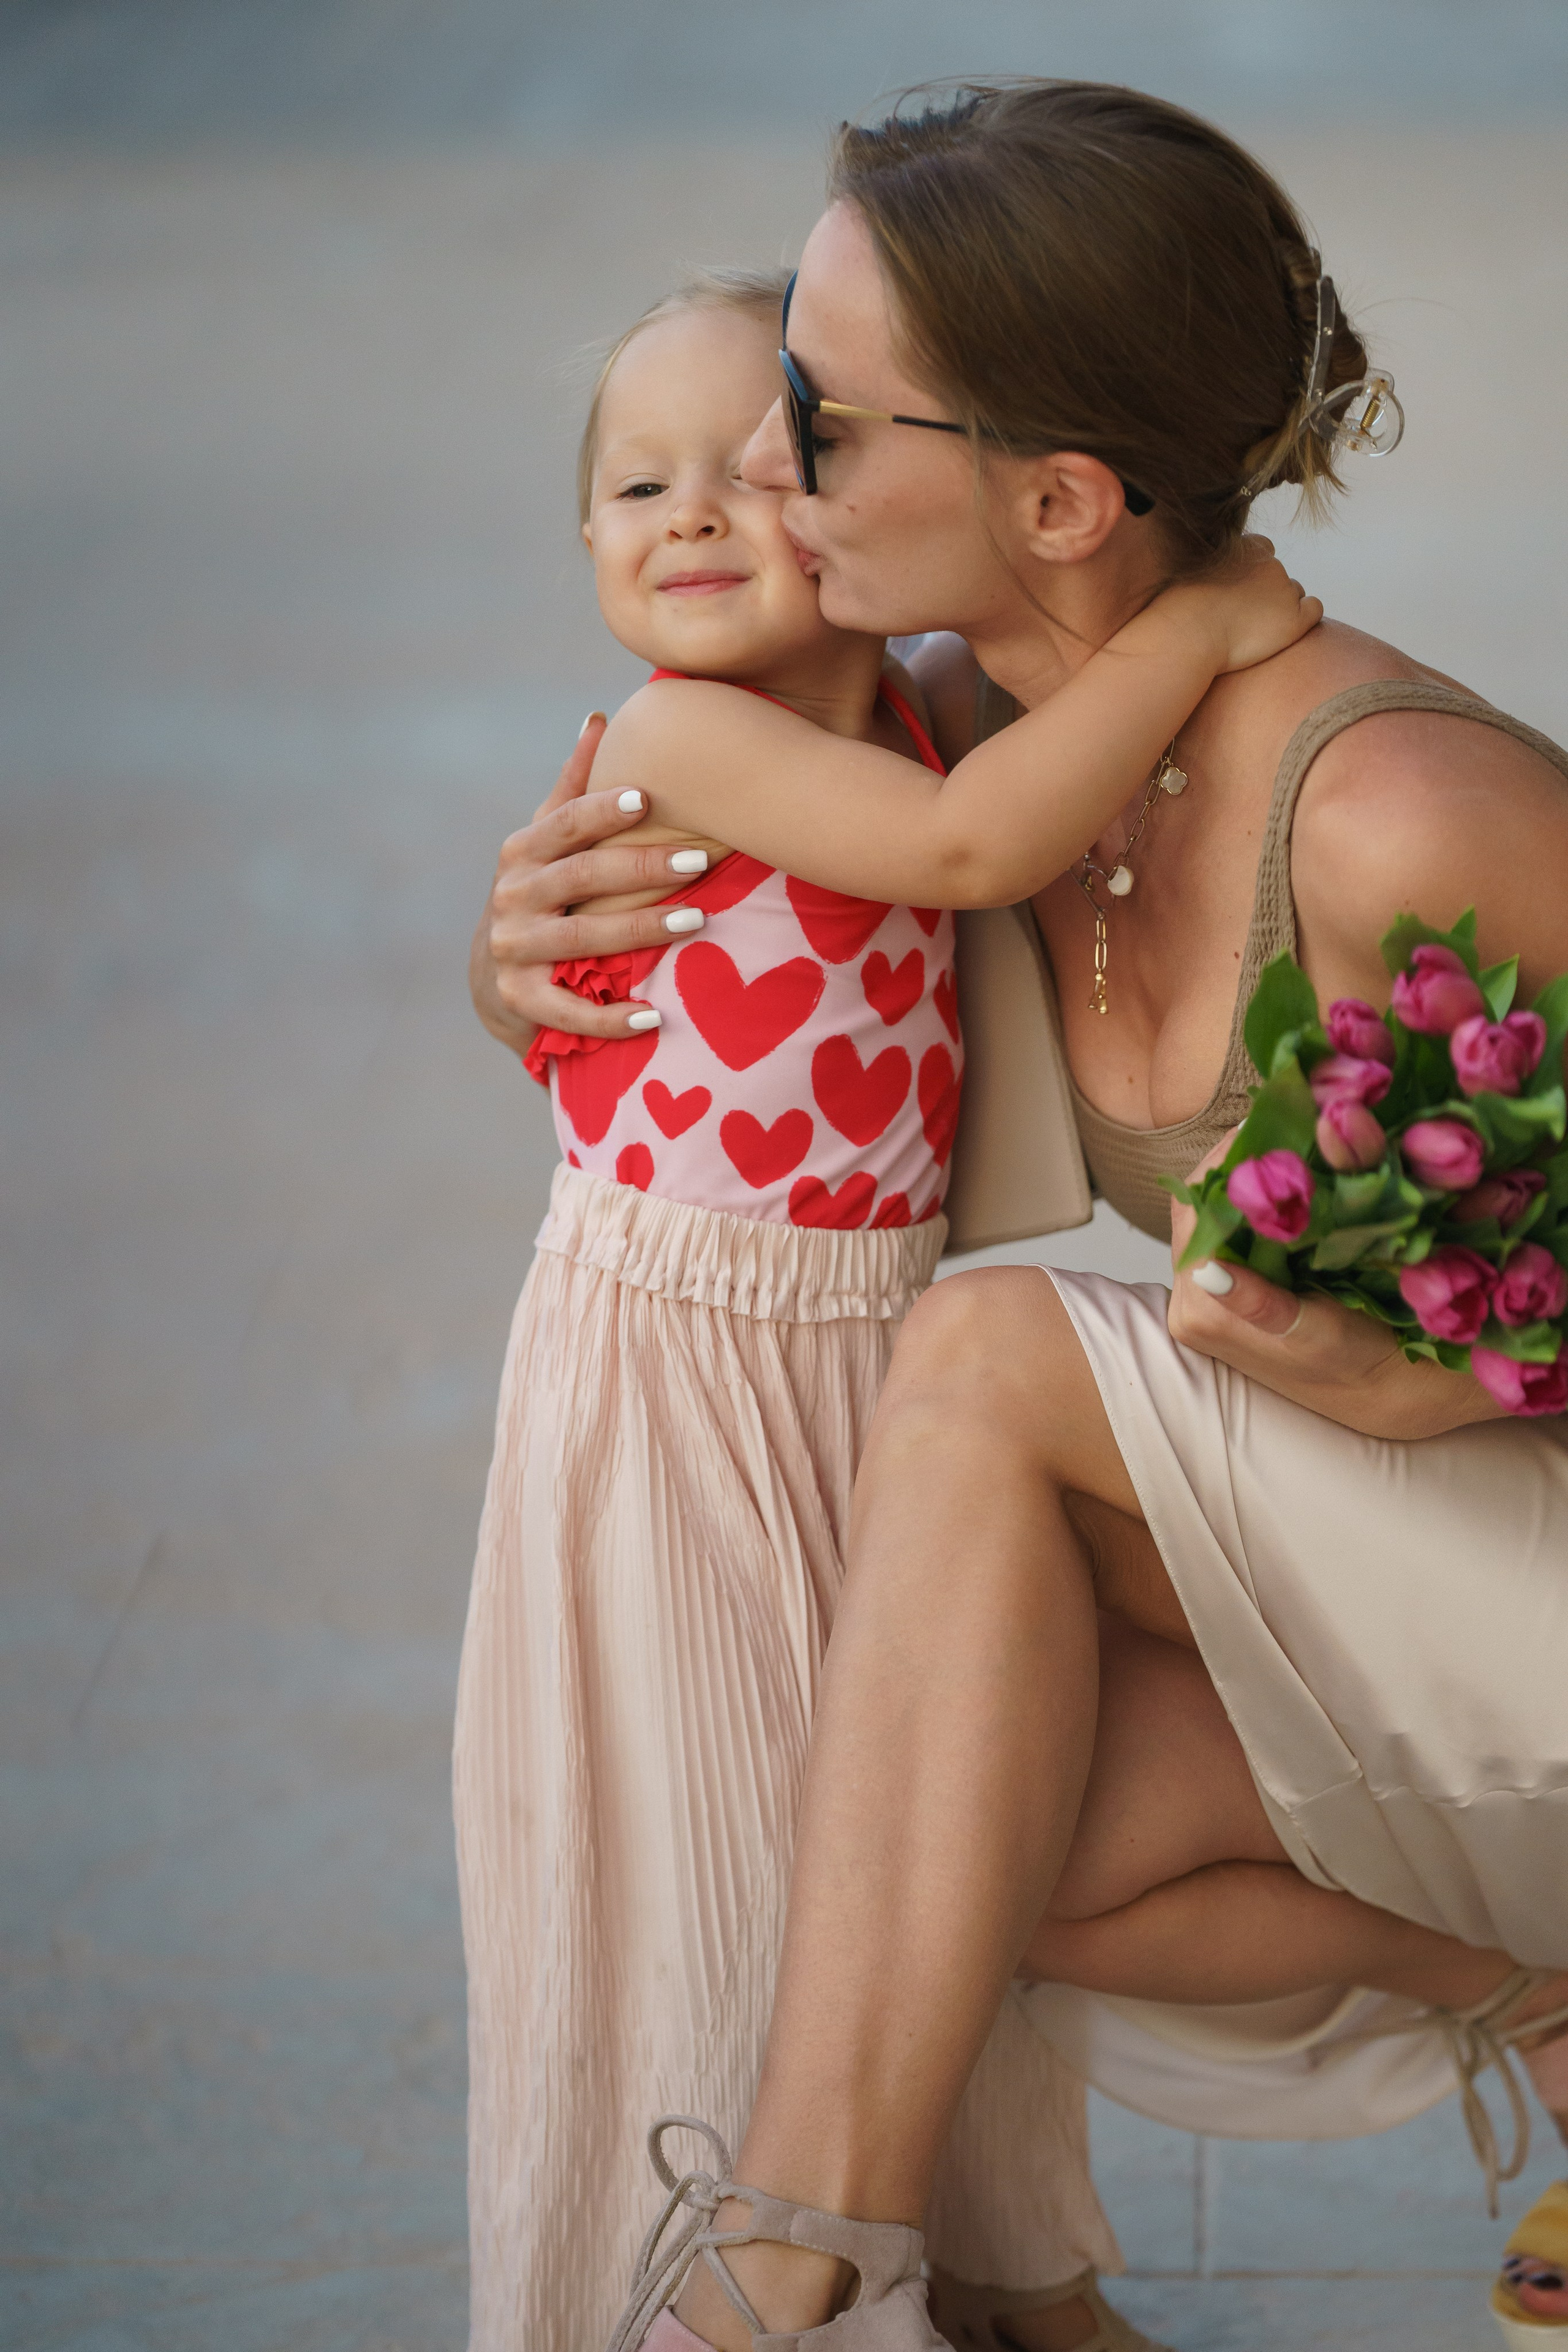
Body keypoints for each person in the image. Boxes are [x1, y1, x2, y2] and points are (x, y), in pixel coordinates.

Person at [472, 80, 1568, 2352]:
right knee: (960, 1843)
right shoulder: (949, 750)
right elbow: (783, 991)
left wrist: (1430, 1355)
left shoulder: (1399, 814)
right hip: (1420, 1573)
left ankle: (776, 2274)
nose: (762, 461)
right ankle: (1545, 1993)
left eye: (819, 415)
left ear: (1059, 500)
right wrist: (527, 974)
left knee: (981, 1364)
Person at [453, 257, 1316, 2352]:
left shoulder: (923, 684)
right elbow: (955, 852)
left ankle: (1011, 2266)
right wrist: (1213, 618)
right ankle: (740, 2284)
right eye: (635, 484)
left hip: (873, 1361)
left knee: (941, 1831)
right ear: (585, 548)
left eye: (754, 468)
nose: (690, 514)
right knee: (737, 1847)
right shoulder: (692, 734)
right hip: (678, 1373)